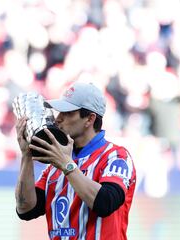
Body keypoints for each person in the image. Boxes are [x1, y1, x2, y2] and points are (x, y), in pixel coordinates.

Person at [14, 81, 136, 240]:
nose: (58, 119)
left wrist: (67, 165)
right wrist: (26, 156)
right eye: (59, 112)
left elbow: (105, 203)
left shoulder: (116, 156)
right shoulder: (55, 163)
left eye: (68, 113)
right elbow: (26, 210)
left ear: (90, 119)